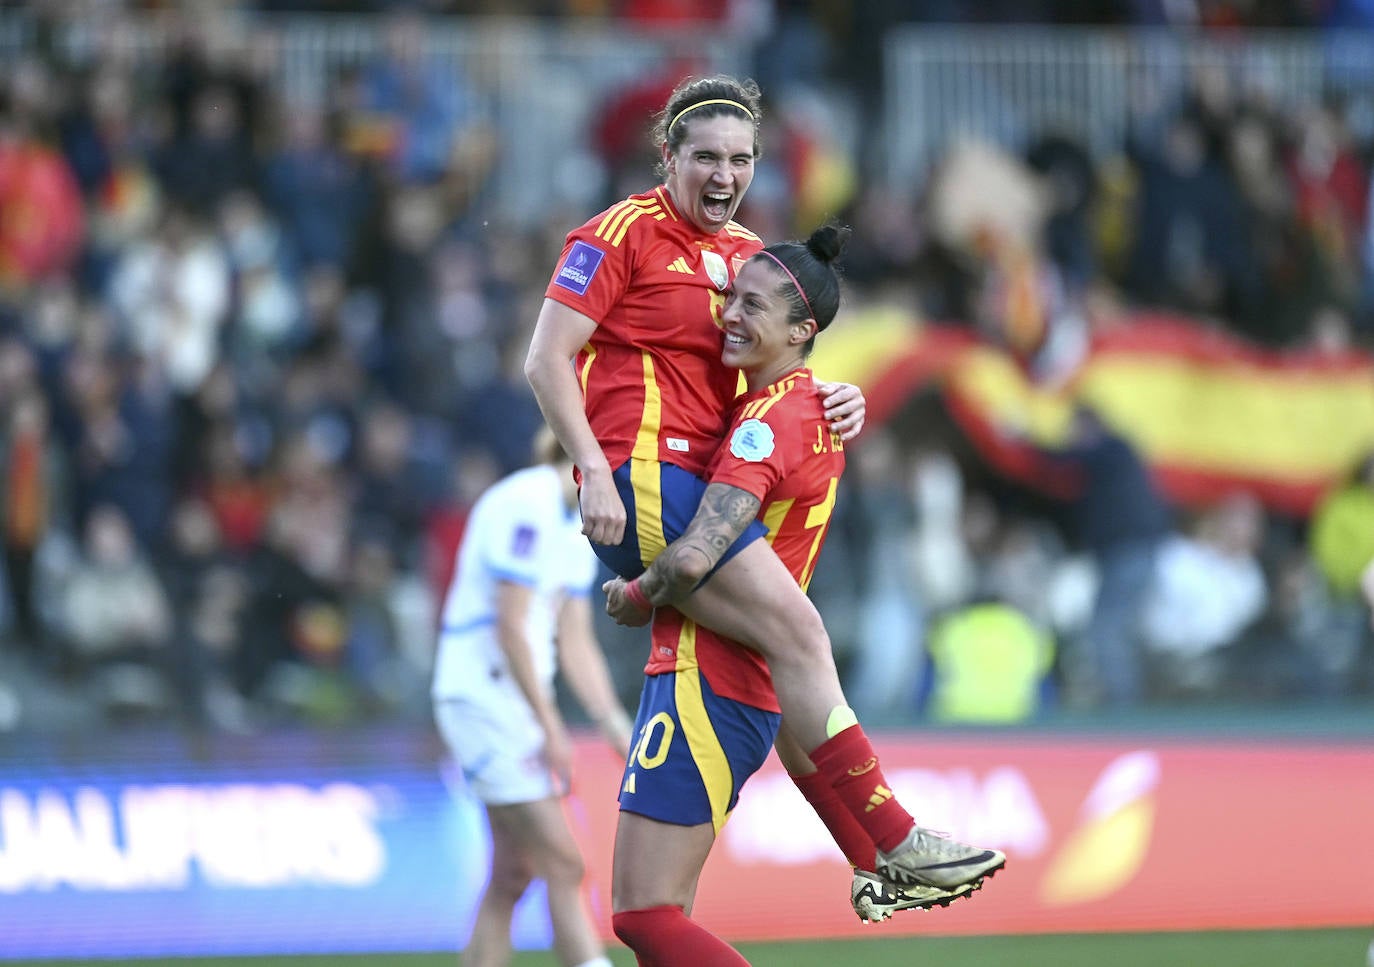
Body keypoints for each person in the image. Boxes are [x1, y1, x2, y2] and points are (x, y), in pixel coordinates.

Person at [523, 72, 1001, 944]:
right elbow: (545, 359)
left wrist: (832, 395)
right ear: (667, 156)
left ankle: (876, 856)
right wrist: (589, 467)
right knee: (801, 636)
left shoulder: (747, 255)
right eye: (705, 155)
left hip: (701, 491)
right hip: (641, 479)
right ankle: (891, 841)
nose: (724, 172)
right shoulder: (616, 234)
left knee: (781, 661)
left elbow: (774, 349)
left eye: (740, 158)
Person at [597, 224, 978, 963]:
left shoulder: (766, 424)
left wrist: (637, 593)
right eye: (729, 298)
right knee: (656, 923)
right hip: (734, 678)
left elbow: (701, 551)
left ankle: (894, 841)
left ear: (801, 330)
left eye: (753, 307)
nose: (730, 316)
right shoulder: (805, 406)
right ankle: (885, 849)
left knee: (644, 914)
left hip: (707, 677)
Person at [431, 427, 634, 967]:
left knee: (512, 875)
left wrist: (612, 720)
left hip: (508, 704)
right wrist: (551, 728)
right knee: (564, 864)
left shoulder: (578, 525)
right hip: (483, 700)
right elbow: (510, 626)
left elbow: (575, 639)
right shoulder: (524, 504)